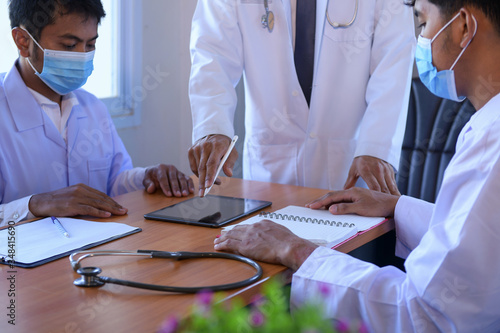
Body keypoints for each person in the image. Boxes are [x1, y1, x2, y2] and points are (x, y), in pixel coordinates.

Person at [215, 0, 500, 331]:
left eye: (422, 24)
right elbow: (477, 241)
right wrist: (398, 207)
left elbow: (420, 316)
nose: (420, 40)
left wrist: (294, 250)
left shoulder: (490, 145)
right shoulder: (489, 131)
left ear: (464, 26)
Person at [188, 0, 415, 197]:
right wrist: (213, 126)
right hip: (270, 168)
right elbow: (212, 53)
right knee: (267, 241)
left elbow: (394, 59)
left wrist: (376, 147)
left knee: (347, 242)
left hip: (350, 164)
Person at [0, 0, 194, 227]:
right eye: (70, 46)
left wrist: (146, 177)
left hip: (92, 251)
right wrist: (34, 205)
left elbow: (113, 183)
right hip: (16, 258)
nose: (82, 56)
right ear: (23, 42)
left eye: (90, 45)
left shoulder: (92, 107)